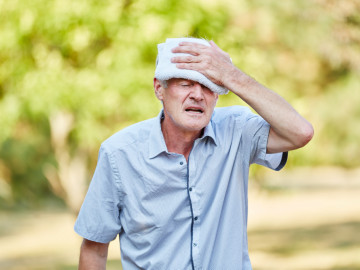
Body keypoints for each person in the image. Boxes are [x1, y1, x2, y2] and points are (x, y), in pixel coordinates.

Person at [74, 37, 314, 270]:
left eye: (210, 85)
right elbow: (94, 249)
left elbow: (300, 133)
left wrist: (231, 74)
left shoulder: (237, 130)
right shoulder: (119, 153)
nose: (198, 95)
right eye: (186, 84)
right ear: (159, 88)